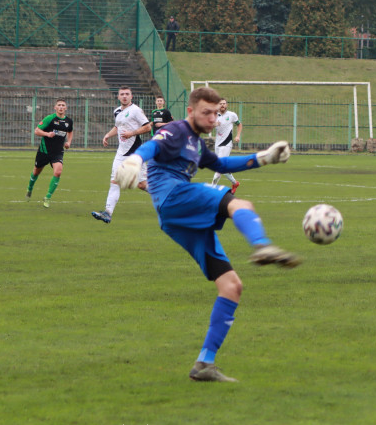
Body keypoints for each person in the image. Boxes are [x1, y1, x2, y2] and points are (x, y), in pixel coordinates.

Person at [114, 86, 299, 382]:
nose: (213, 118)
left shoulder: (197, 145)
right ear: (191, 111)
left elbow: (222, 164)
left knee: (231, 286)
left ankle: (204, 364)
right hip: (175, 198)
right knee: (239, 203)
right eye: (206, 112)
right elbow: (151, 146)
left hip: (177, 219)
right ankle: (262, 245)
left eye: (216, 113)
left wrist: (264, 157)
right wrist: (135, 160)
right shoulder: (176, 130)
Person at [91, 87, 152, 224]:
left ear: (131, 96)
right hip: (121, 153)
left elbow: (148, 127)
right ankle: (108, 213)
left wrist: (132, 133)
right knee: (114, 181)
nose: (124, 96)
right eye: (122, 94)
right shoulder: (117, 111)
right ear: (118, 97)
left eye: (127, 94)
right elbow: (118, 126)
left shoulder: (136, 110)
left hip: (135, 153)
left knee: (142, 185)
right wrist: (107, 135)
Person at [26, 98, 74, 208]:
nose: (61, 107)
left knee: (58, 172)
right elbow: (37, 130)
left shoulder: (68, 121)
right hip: (44, 151)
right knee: (36, 172)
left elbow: (70, 131)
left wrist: (69, 142)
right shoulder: (49, 119)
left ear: (66, 108)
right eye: (59, 105)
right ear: (55, 107)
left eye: (63, 105)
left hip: (57, 152)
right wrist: (47, 134)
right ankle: (29, 188)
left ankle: (47, 197)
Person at [210, 99, 243, 193]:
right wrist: (213, 125)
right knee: (222, 167)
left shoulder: (232, 115)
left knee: (218, 167)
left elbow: (239, 124)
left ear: (227, 105)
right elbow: (207, 127)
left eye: (224, 104)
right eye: (220, 104)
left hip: (227, 143)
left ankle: (212, 189)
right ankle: (235, 183)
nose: (222, 105)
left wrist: (237, 136)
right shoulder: (214, 115)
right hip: (218, 144)